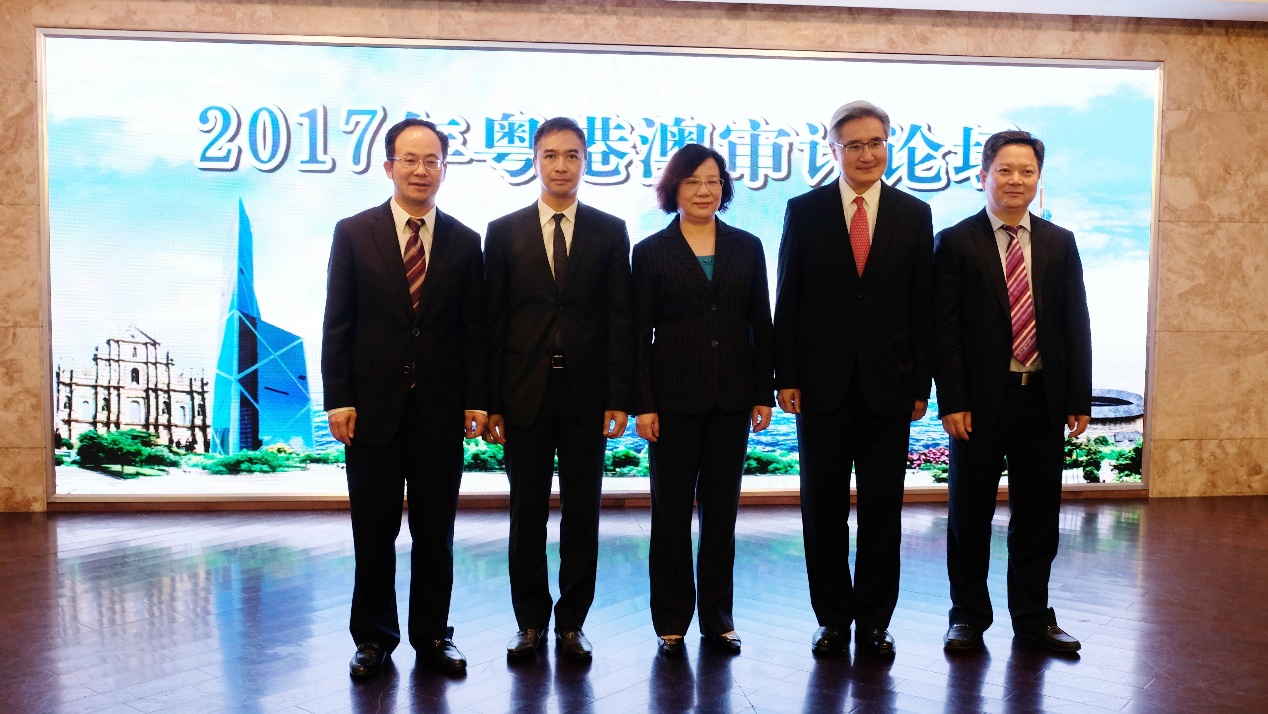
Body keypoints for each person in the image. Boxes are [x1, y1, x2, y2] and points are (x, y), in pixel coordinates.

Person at [321, 117, 489, 677]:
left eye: (432, 160)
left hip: (440, 411)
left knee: (435, 533)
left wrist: (477, 399)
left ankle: (433, 636)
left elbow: (474, 331)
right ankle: (372, 639)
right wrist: (338, 396)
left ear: (444, 168)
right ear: (389, 166)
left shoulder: (466, 242)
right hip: (371, 410)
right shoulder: (353, 232)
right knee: (373, 531)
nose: (422, 170)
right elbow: (338, 322)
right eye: (410, 160)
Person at [773, 100, 933, 658]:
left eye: (876, 143)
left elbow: (922, 306)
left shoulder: (915, 215)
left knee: (884, 508)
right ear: (834, 150)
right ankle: (832, 618)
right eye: (854, 145)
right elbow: (787, 295)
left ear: (889, 145)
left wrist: (922, 386)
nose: (867, 154)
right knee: (823, 507)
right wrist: (785, 374)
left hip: (891, 386)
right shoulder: (805, 209)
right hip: (821, 385)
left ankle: (874, 620)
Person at [933, 130, 1091, 653]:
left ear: (1038, 178)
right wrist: (951, 400)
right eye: (1004, 170)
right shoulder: (956, 241)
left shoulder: (1058, 242)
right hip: (978, 404)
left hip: (1042, 397)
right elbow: (945, 331)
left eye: (1026, 171)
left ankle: (1032, 617)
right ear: (983, 176)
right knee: (970, 515)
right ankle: (968, 616)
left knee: (1039, 516)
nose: (1015, 180)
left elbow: (1074, 323)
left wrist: (1077, 399)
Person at [483, 117, 634, 661]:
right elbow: (493, 323)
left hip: (588, 397)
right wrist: (493, 401)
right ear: (535, 160)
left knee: (582, 512)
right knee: (526, 513)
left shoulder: (610, 230)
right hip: (523, 395)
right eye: (551, 155)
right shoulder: (502, 232)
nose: (561, 165)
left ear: (586, 161)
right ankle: (529, 623)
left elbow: (622, 320)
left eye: (572, 155)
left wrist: (621, 397)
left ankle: (572, 623)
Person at [632, 144, 774, 658]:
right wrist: (643, 404)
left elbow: (761, 321)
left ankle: (718, 617)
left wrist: (763, 392)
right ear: (674, 188)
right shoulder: (649, 252)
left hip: (733, 399)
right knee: (669, 513)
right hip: (671, 403)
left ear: (724, 188)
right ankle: (670, 619)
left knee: (722, 514)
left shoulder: (748, 246)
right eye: (692, 181)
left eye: (713, 181)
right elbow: (636, 334)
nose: (703, 190)